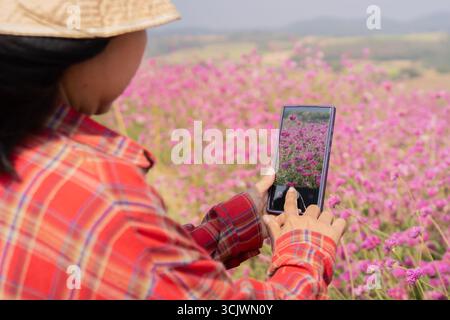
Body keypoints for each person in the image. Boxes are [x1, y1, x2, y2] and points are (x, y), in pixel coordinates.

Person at [0, 0, 346, 299]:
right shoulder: (103, 191)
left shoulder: (24, 149)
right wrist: (306, 250)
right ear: (91, 46)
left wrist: (246, 217)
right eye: (141, 28)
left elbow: (142, 268)